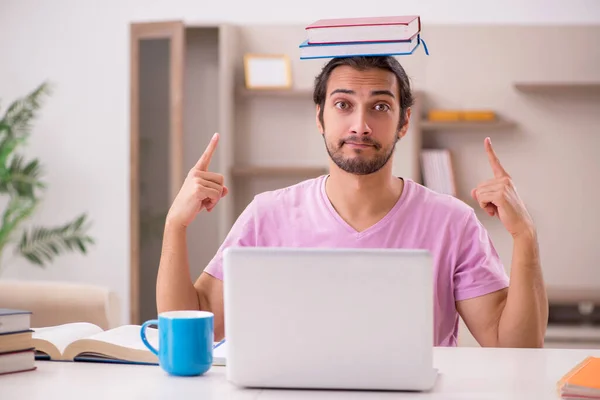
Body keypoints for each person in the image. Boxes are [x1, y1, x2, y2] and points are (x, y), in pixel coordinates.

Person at [156, 56, 548, 348]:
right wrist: (175, 226)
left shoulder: (453, 222)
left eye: (380, 106)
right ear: (320, 117)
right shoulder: (268, 214)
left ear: (404, 121)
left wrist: (525, 237)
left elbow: (511, 349)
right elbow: (191, 329)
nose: (360, 125)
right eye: (343, 105)